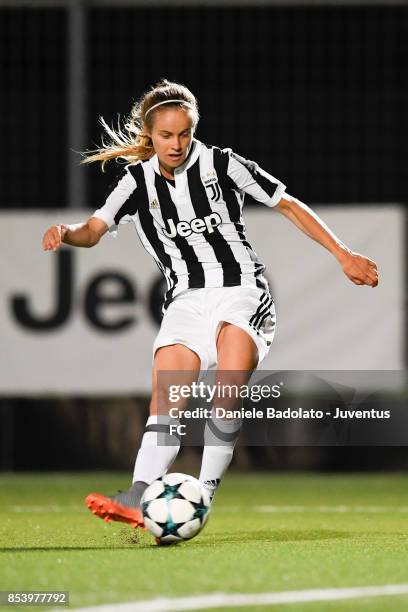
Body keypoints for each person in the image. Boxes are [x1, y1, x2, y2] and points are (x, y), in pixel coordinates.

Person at [42, 78, 378, 530]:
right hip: (185, 302)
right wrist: (67, 232)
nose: (176, 144)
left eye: (184, 133)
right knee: (166, 402)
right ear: (149, 134)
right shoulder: (135, 182)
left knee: (226, 392)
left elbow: (289, 204)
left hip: (242, 292)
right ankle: (139, 494)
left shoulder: (223, 164)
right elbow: (94, 229)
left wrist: (343, 254)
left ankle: (201, 496)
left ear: (193, 130)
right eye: (166, 135)